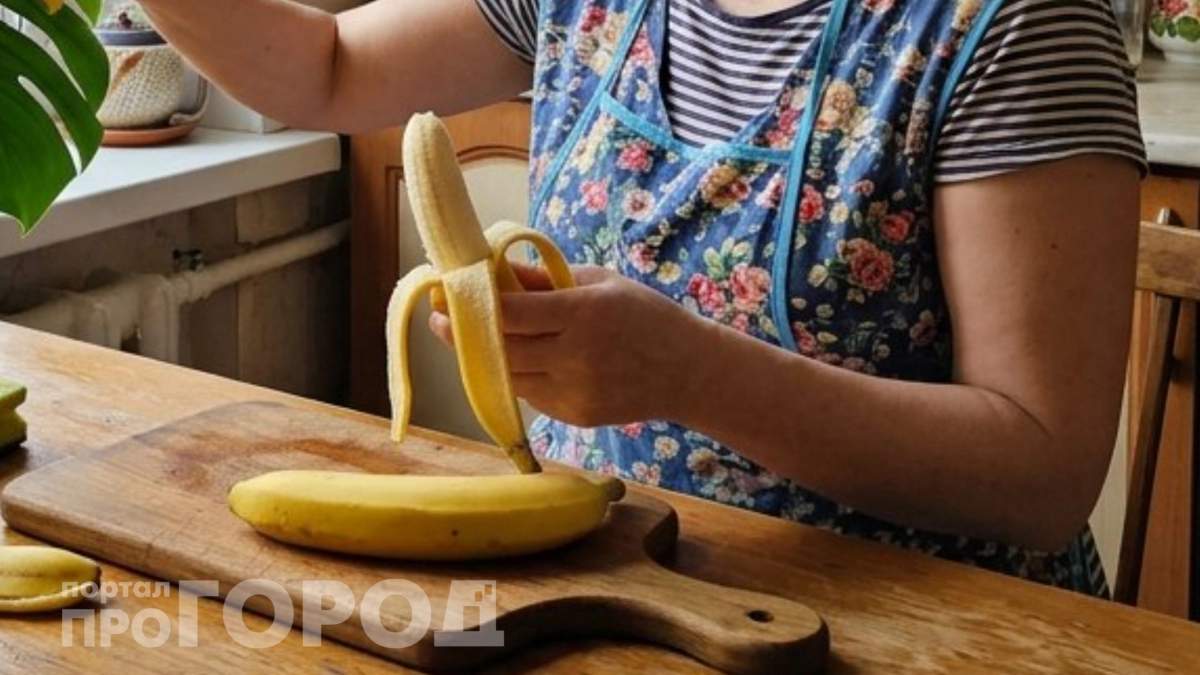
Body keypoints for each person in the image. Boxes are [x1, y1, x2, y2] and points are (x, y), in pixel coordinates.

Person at [139, 0, 1146, 596]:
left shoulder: (1019, 24)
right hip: (609, 602)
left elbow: (1042, 472)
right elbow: (328, 68)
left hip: (922, 628)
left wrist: (690, 372)